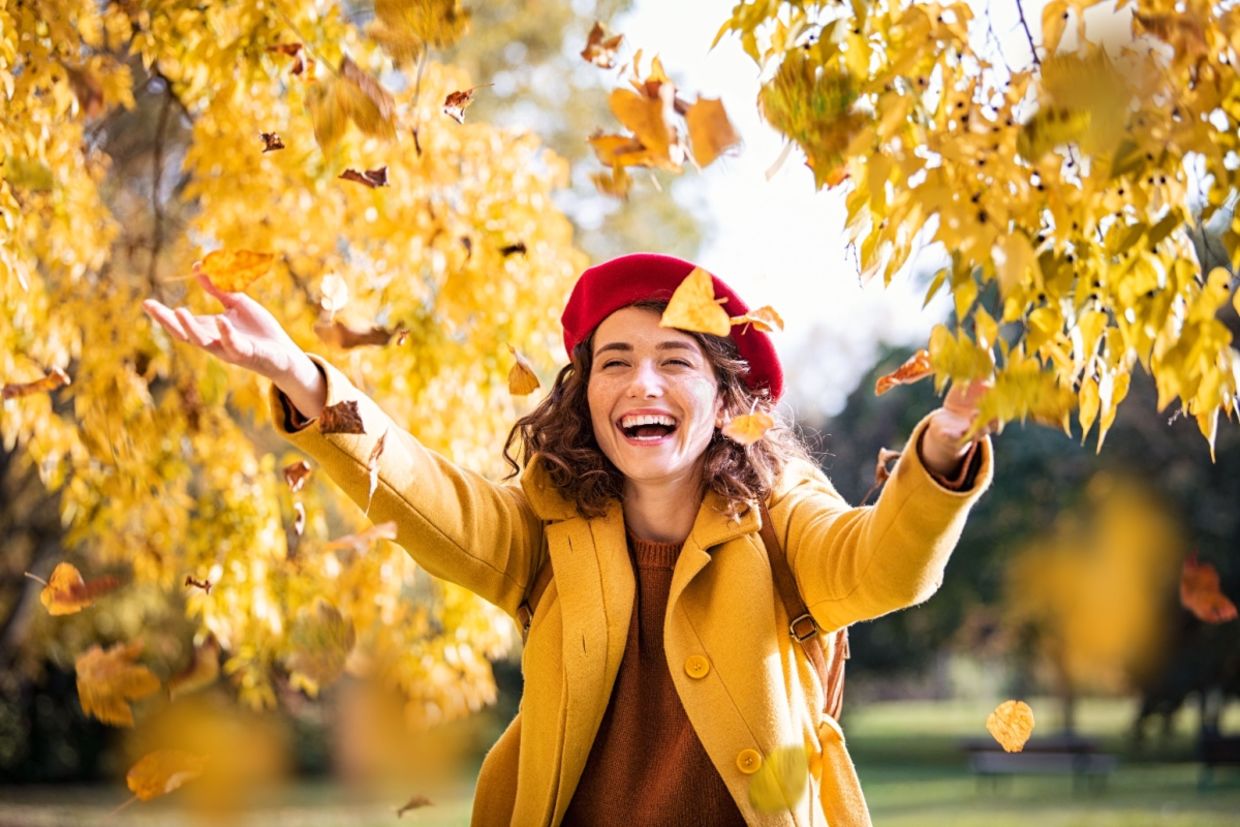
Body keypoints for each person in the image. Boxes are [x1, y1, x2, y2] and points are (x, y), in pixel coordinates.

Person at [143, 252, 992, 826]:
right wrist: (303, 376)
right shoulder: (545, 523)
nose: (641, 381)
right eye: (614, 360)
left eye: (675, 360)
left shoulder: (782, 513)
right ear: (585, 393)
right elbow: (424, 494)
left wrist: (944, 450)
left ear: (730, 401)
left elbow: (880, 566)